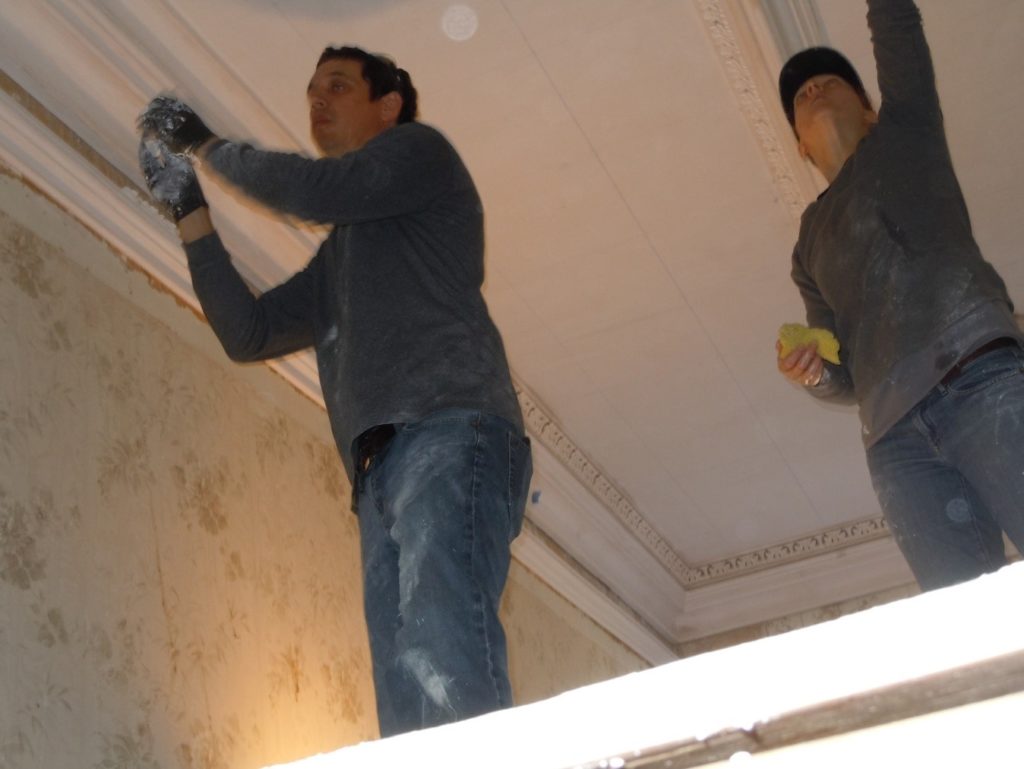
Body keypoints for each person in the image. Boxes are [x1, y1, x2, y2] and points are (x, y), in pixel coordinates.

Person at [137, 45, 532, 737]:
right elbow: (248, 332)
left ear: (390, 106)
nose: (317, 99)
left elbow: (313, 191)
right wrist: (189, 211)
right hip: (376, 472)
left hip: (448, 428)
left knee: (444, 645)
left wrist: (202, 142)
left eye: (338, 86)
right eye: (312, 88)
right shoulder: (338, 267)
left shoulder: (421, 153)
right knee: (406, 694)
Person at [775, 0, 1024, 591]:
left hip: (979, 376)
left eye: (829, 81)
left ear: (868, 105)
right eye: (801, 95)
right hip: (894, 442)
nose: (812, 88)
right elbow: (844, 369)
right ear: (801, 149)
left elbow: (898, 29)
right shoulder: (808, 243)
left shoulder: (907, 131)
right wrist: (813, 372)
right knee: (965, 625)